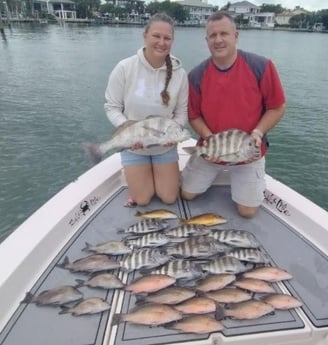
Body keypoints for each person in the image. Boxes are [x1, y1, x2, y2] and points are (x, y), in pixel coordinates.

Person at [181, 11, 286, 218]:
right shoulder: (196, 76)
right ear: (206, 40)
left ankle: (240, 177)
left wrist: (258, 131)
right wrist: (210, 138)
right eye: (212, 35)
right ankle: (216, 171)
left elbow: (277, 107)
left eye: (224, 34)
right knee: (186, 195)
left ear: (236, 36)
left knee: (247, 212)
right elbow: (194, 116)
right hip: (212, 148)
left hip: (249, 150)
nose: (218, 40)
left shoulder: (261, 66)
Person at [104, 13, 188, 207]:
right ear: (145, 36)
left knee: (168, 198)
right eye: (156, 36)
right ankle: (135, 174)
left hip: (164, 146)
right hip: (134, 145)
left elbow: (182, 113)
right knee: (142, 200)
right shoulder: (124, 68)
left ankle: (153, 174)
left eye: (167, 38)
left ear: (172, 41)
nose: (161, 42)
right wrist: (129, 130)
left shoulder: (180, 74)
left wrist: (172, 132)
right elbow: (112, 107)